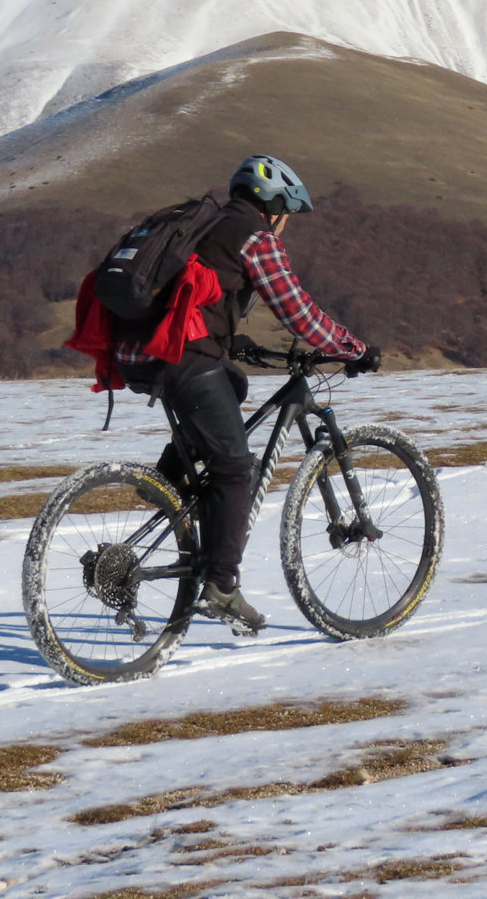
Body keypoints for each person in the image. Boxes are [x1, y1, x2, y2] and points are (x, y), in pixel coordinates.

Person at [120, 155, 379, 635]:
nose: (285, 228)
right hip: (184, 358)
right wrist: (352, 349)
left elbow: (196, 295)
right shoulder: (256, 238)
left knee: (232, 385)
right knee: (236, 469)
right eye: (287, 216)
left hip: (144, 354)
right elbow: (299, 313)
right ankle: (220, 586)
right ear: (275, 206)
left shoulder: (206, 225)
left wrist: (231, 342)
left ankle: (168, 484)